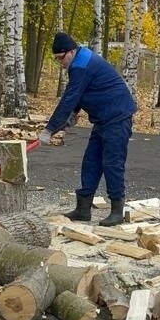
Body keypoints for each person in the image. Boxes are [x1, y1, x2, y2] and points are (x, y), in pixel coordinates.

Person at [39, 32, 137, 226]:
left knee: (112, 163)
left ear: (71, 51)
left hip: (117, 117)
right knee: (91, 162)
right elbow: (80, 93)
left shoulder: (81, 66)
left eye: (61, 58)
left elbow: (69, 98)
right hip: (102, 120)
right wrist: (72, 116)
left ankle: (117, 211)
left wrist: (49, 130)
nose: (60, 63)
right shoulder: (80, 60)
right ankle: (83, 209)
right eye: (57, 59)